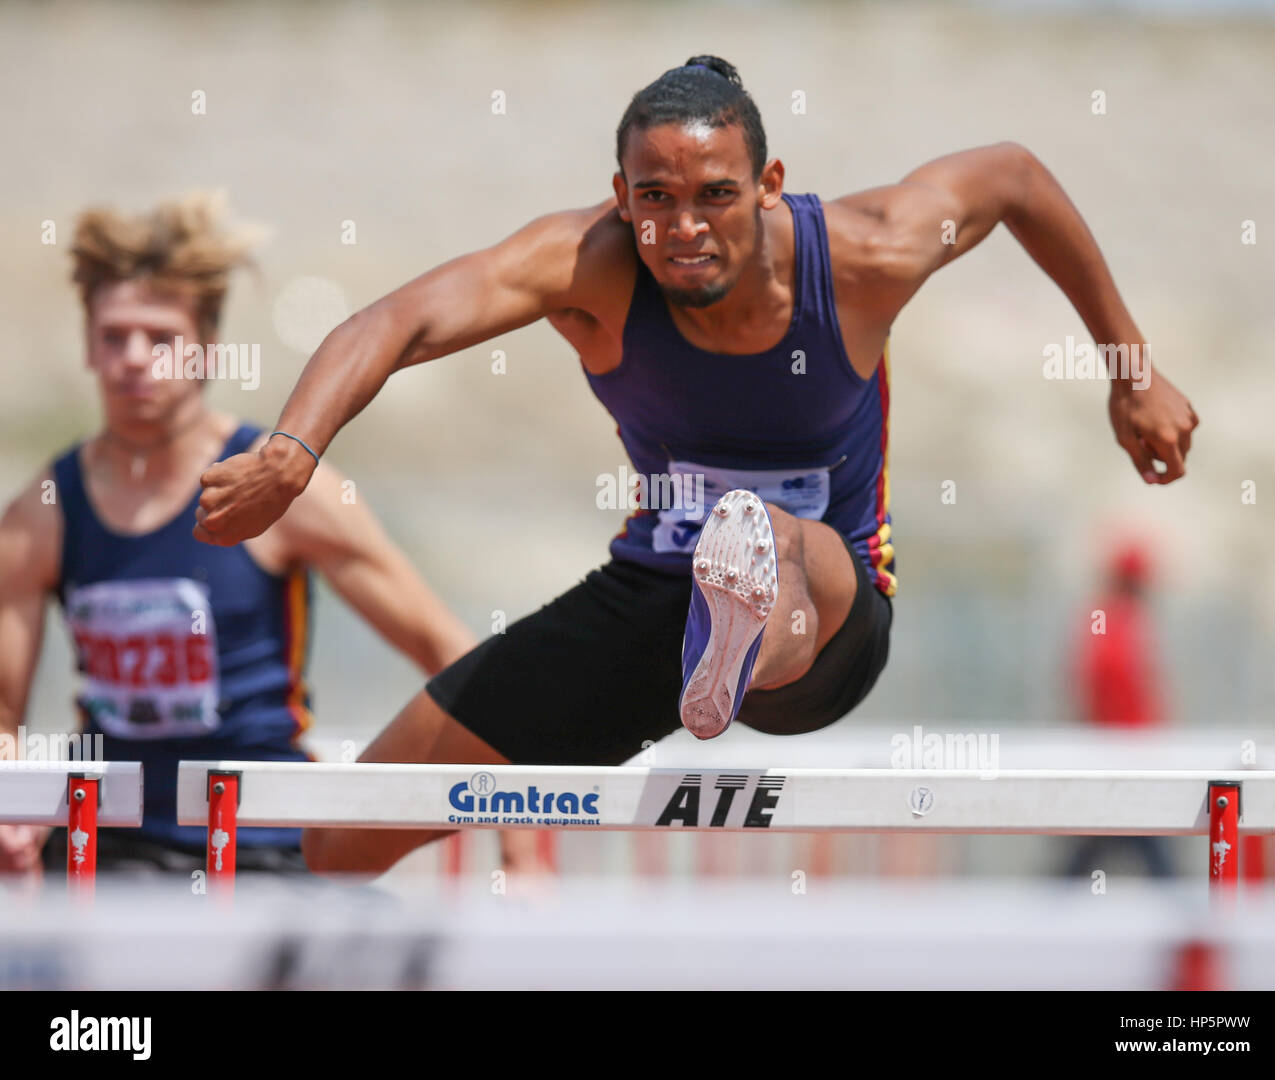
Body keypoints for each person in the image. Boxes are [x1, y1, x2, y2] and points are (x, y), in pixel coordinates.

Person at [190, 56, 1199, 878]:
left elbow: (1016, 176)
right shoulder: (585, 262)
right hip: (654, 599)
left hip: (827, 609)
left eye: (715, 196)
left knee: (770, 545)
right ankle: (716, 623)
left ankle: (746, 616)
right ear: (620, 197)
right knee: (340, 836)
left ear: (768, 185)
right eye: (655, 200)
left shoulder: (863, 257)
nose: (681, 230)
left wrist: (1129, 371)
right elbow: (396, 320)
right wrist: (293, 448)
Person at [0, 193, 541, 882]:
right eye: (115, 336)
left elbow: (452, 652)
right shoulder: (44, 511)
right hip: (110, 854)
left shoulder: (282, 486)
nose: (135, 359)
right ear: (88, 347)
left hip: (265, 846)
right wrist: (11, 800)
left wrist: (521, 852)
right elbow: (4, 711)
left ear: (207, 352)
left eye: (160, 339)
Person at [1063, 539, 1175, 877]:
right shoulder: (1116, 620)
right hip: (1124, 760)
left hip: (1122, 758)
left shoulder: (1114, 617)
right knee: (1154, 856)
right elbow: (1109, 685)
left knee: (1093, 852)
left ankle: (1042, 921)